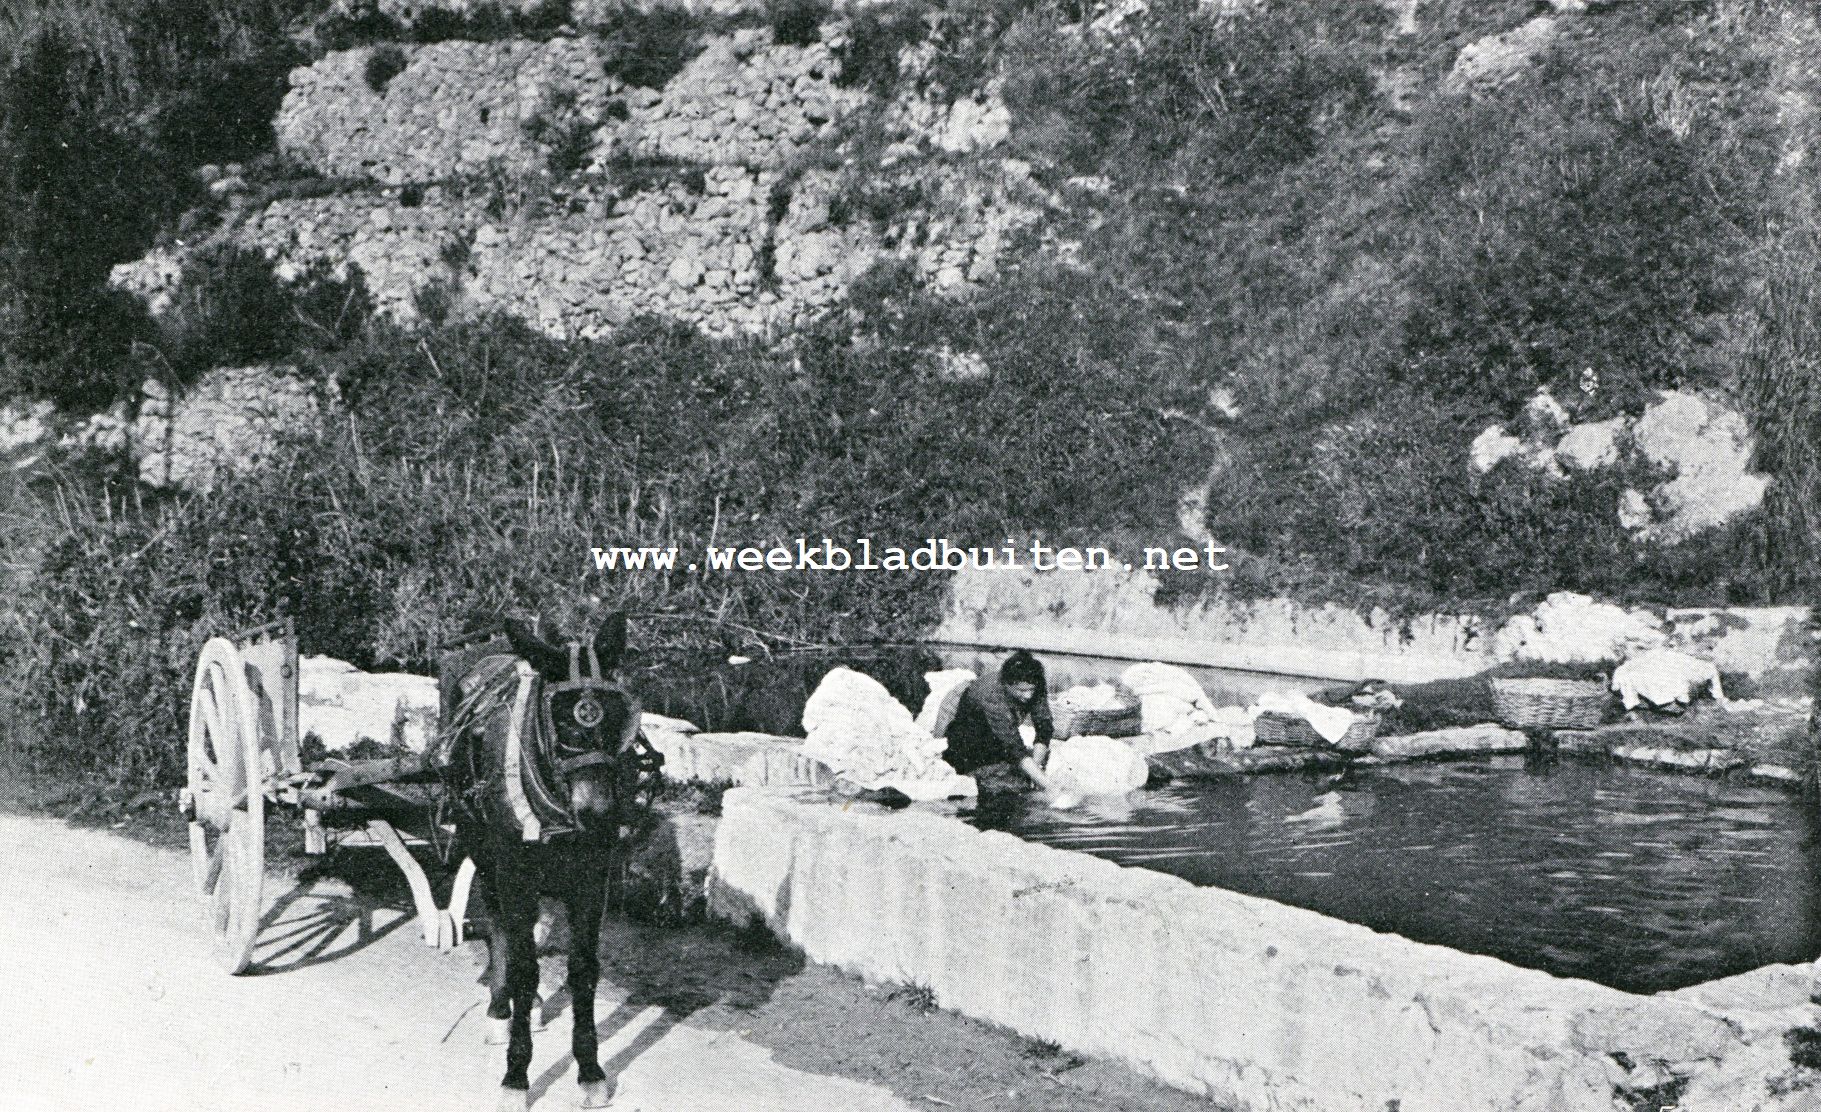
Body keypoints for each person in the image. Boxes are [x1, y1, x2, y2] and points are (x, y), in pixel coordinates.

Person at [941, 650, 1056, 794]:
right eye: (1022, 690)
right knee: (1002, 783)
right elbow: (1013, 745)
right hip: (970, 740)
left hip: (998, 739)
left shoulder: (1035, 681)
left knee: (1028, 773)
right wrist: (1050, 787)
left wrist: (1036, 768)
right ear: (1007, 685)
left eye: (1031, 689)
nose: (1028, 695)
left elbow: (1044, 725)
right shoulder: (991, 694)